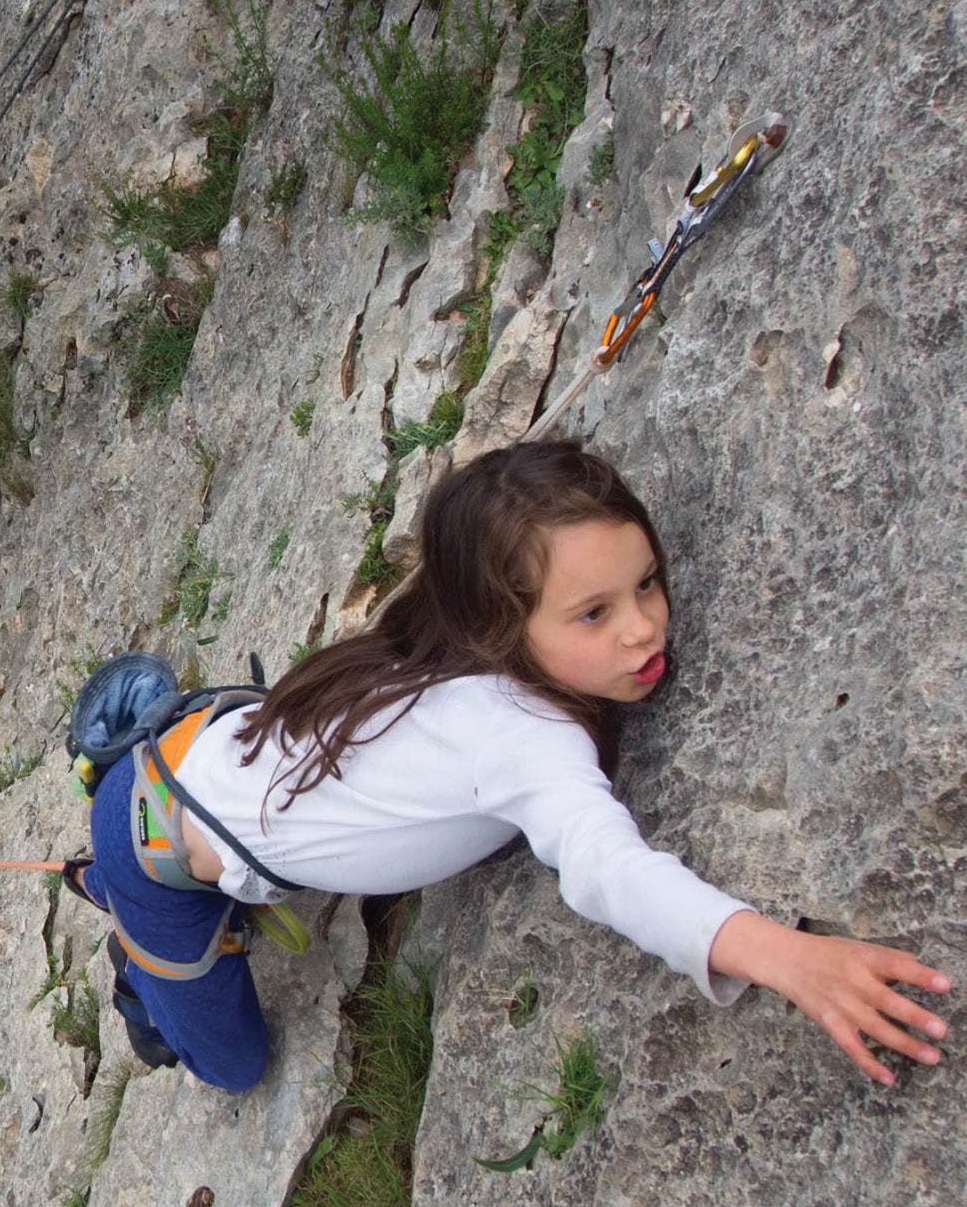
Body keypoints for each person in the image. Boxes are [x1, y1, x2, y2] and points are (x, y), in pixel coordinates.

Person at [71, 442, 951, 1092]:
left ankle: (142, 755)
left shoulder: (448, 629)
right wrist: (786, 957)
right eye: (594, 614)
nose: (643, 630)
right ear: (501, 622)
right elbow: (611, 872)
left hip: (212, 748)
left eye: (646, 584)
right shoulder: (521, 734)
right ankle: (129, 926)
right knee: (234, 1068)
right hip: (152, 835)